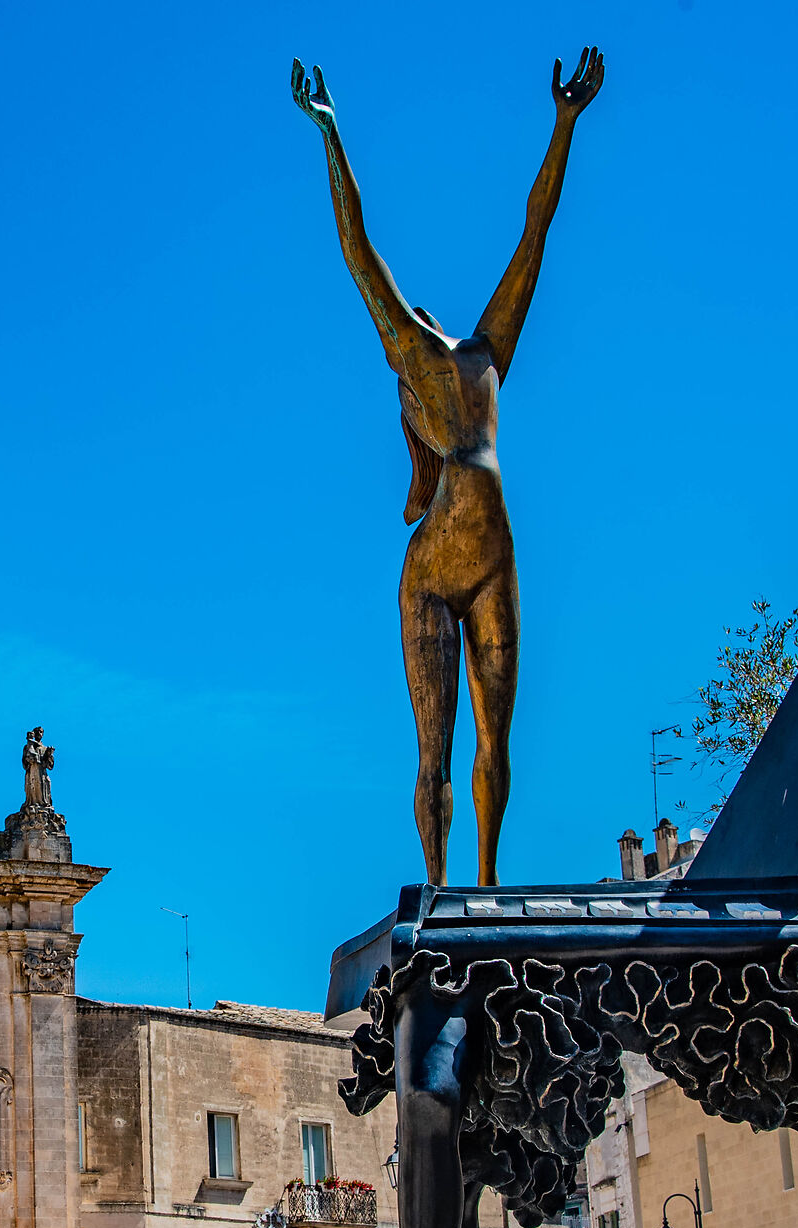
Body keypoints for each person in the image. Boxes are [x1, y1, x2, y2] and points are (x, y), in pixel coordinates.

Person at [292, 48, 603, 888]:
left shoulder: (484, 351)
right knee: (436, 748)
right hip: (431, 574)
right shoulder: (419, 359)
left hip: (492, 557)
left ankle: (486, 888)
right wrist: (331, 135)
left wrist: (564, 125)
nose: (409, 321)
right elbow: (357, 249)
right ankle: (438, 889)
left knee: (497, 740)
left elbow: (535, 231)